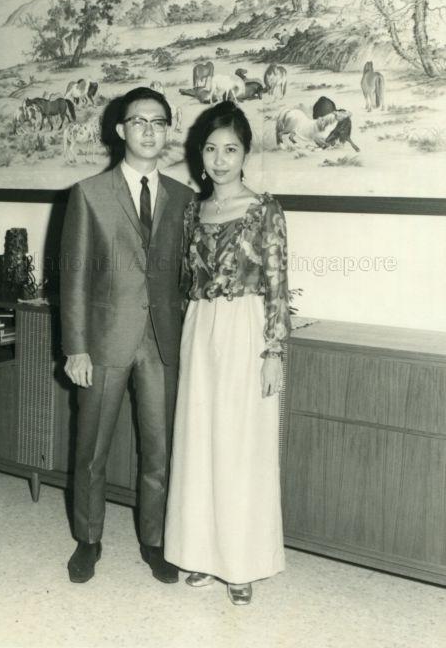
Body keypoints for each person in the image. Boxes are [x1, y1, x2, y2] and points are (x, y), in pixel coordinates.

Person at [60, 86, 193, 584]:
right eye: (139, 121)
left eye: (158, 122)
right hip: (104, 341)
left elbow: (188, 277)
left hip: (162, 342)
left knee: (160, 449)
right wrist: (75, 347)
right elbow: (73, 276)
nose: (149, 131)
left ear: (168, 130)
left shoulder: (184, 198)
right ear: (120, 130)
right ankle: (88, 540)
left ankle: (155, 542)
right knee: (91, 448)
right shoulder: (89, 193)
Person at [164, 100, 290, 605]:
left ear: (245, 154)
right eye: (211, 149)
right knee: (199, 442)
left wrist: (274, 350)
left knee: (241, 446)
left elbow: (278, 284)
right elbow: (184, 279)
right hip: (200, 327)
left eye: (230, 150)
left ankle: (241, 564)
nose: (220, 160)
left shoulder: (264, 209)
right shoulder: (193, 210)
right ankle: (201, 554)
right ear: (201, 154)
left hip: (246, 328)